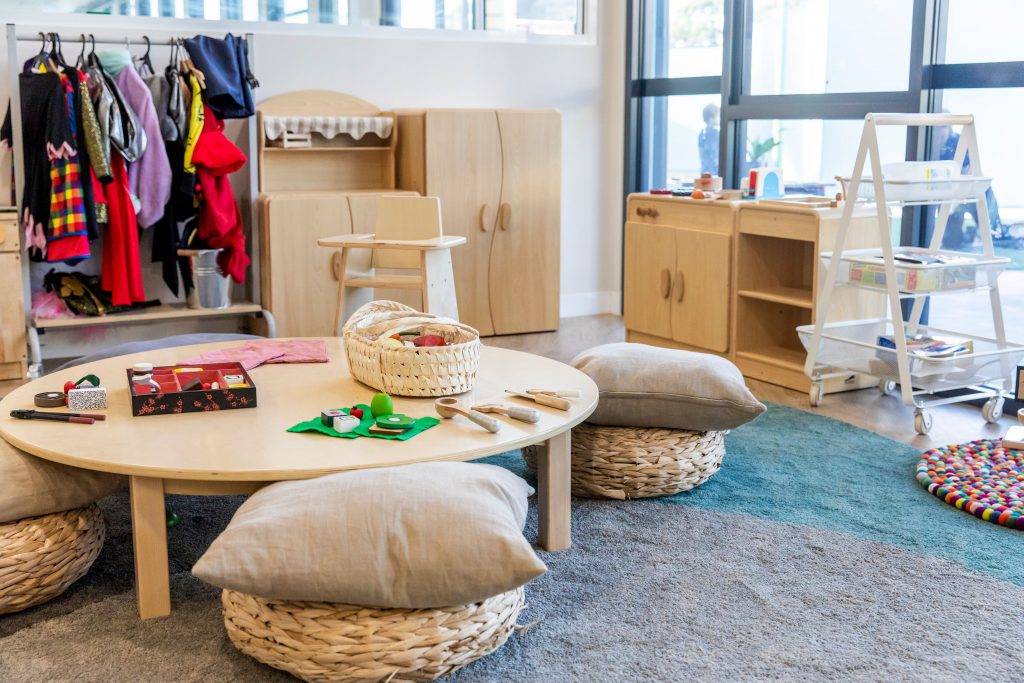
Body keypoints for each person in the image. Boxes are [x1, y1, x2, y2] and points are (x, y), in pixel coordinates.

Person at [698, 103, 719, 175]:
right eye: (718, 116)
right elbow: (715, 155)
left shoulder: (702, 134)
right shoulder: (715, 134)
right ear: (711, 118)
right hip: (714, 172)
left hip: (704, 171)